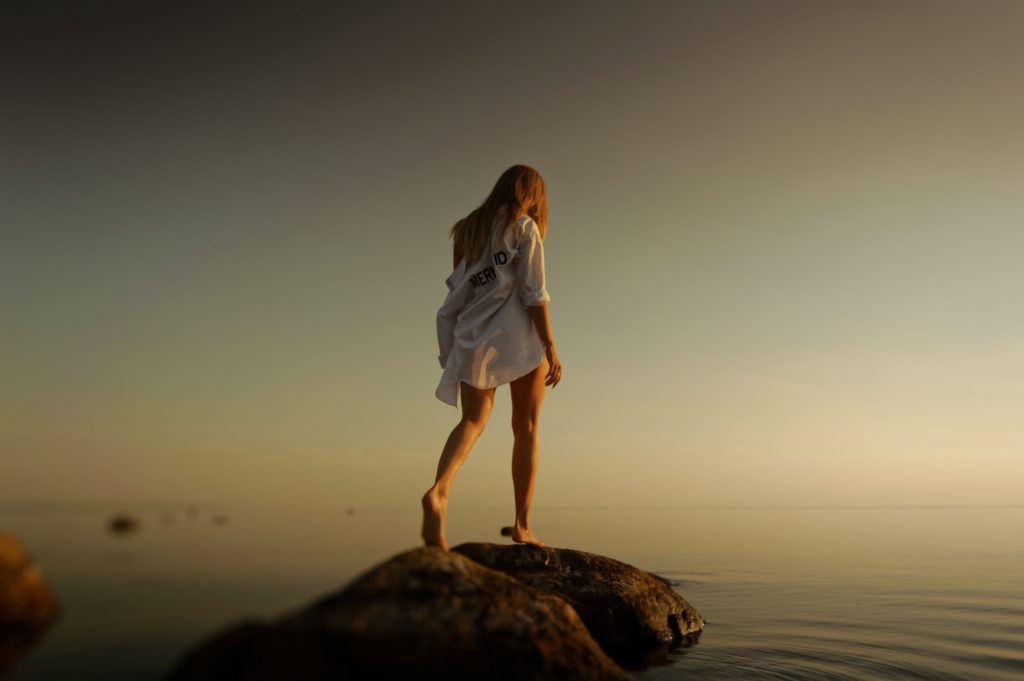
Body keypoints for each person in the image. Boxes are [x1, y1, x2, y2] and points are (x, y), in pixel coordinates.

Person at [422, 164, 562, 551]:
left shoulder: (466, 229)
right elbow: (534, 291)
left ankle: (439, 491)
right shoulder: (524, 227)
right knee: (527, 427)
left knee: (472, 421)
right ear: (530, 193)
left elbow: (465, 286)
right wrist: (550, 346)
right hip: (517, 336)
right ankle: (522, 525)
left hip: (472, 335)